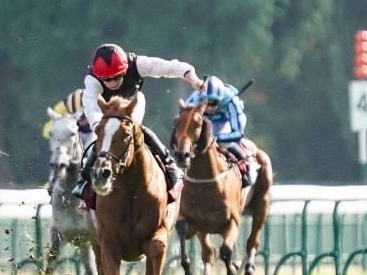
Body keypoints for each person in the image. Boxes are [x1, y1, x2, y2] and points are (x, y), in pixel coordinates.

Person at [73, 43, 205, 203]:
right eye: (108, 79)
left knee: (136, 129)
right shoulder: (91, 79)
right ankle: (85, 178)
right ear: (99, 76)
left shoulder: (137, 64)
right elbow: (91, 107)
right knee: (104, 138)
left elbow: (171, 67)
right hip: (107, 110)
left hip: (131, 104)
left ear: (125, 69)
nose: (113, 83)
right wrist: (99, 127)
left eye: (118, 77)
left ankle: (170, 166)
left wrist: (194, 80)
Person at [184, 75, 256, 187]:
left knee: (225, 142)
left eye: (214, 103)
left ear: (221, 98)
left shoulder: (232, 101)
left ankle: (247, 165)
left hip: (225, 121)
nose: (210, 108)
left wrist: (214, 139)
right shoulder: (193, 100)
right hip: (203, 121)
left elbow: (238, 134)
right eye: (207, 103)